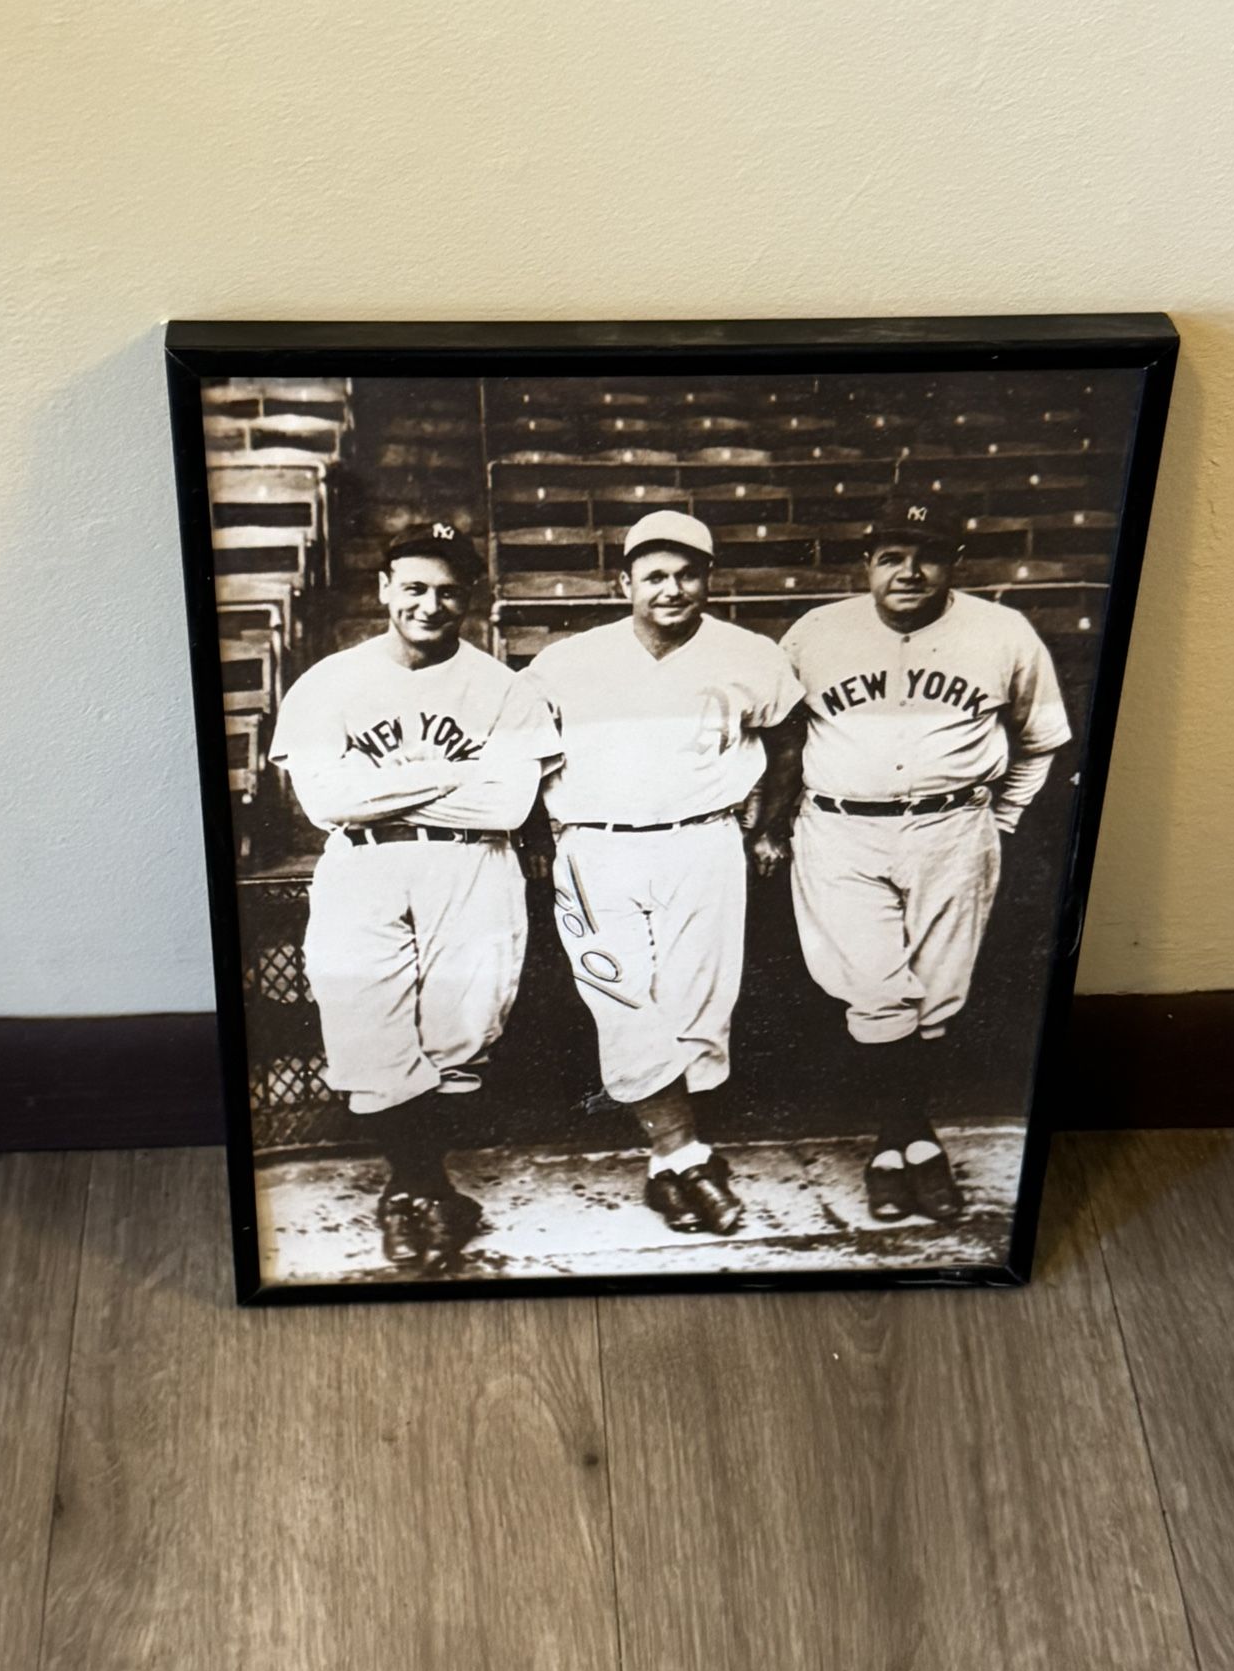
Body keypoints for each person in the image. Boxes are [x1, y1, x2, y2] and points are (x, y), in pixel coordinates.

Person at [268, 522, 559, 1273]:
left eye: (448, 591)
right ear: (383, 589)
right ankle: (419, 1188)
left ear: (470, 596)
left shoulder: (503, 687)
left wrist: (386, 792)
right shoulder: (329, 683)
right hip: (361, 869)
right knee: (367, 1029)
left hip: (473, 867)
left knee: (462, 1035)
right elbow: (327, 802)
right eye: (415, 587)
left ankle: (420, 1189)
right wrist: (454, 780)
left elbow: (506, 807)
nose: (430, 605)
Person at [780, 492, 1072, 1223]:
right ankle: (907, 1139)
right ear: (867, 565)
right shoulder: (815, 633)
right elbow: (779, 738)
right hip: (842, 830)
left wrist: (999, 820)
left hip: (955, 830)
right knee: (878, 992)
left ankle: (897, 1145)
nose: (909, 572)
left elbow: (1040, 739)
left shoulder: (1004, 632)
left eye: (928, 555)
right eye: (891, 557)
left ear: (954, 563)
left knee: (936, 997)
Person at [526, 510, 805, 1236]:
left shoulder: (750, 653)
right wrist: (536, 839)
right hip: (595, 846)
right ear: (623, 583)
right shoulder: (567, 660)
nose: (672, 588)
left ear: (709, 579)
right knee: (620, 996)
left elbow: (787, 737)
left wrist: (769, 826)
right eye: (654, 575)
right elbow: (519, 745)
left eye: (688, 573)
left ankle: (668, 1167)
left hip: (703, 842)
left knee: (697, 1002)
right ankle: (684, 1154)